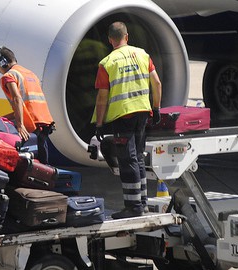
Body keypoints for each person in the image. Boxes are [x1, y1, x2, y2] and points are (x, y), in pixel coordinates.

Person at [91, 21, 162, 219]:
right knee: (138, 157)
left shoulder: (107, 63)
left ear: (109, 40)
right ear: (127, 37)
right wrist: (156, 107)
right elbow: (156, 82)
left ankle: (133, 207)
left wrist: (99, 123)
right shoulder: (142, 54)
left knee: (127, 160)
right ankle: (142, 204)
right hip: (142, 113)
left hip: (123, 116)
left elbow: (102, 97)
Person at [0, 46, 55, 164]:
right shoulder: (29, 74)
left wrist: (20, 124)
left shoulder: (9, 76)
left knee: (30, 162)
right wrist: (1, 118)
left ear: (3, 63)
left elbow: (17, 99)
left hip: (32, 124)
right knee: (42, 161)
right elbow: (25, 106)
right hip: (44, 120)